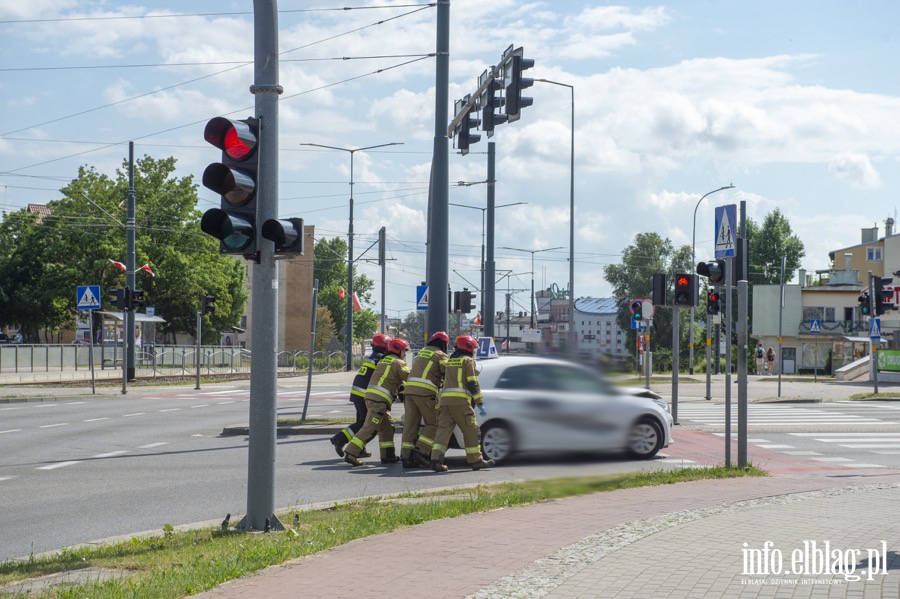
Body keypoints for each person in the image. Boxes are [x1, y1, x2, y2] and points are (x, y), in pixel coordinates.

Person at [429, 335, 494, 472]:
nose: (475, 352)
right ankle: (476, 460)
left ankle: (436, 460)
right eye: (474, 349)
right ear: (468, 348)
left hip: (445, 401)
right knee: (471, 430)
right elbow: (472, 382)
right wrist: (479, 402)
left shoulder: (450, 361)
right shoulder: (468, 361)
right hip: (460, 402)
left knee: (443, 431)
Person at [343, 337, 410, 467]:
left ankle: (388, 456)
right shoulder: (398, 363)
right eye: (403, 351)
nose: (405, 354)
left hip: (373, 398)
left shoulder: (384, 360)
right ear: (397, 350)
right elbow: (411, 378)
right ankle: (351, 453)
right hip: (379, 401)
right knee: (369, 427)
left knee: (387, 428)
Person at [329, 333, 392, 458]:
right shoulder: (381, 358)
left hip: (358, 392)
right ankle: (339, 439)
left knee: (362, 422)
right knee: (365, 423)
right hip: (365, 394)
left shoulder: (374, 356)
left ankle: (360, 449)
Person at [400, 331, 449, 468]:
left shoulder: (422, 352)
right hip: (425, 393)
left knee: (410, 424)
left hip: (409, 392)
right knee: (434, 423)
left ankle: (406, 456)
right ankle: (421, 451)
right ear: (444, 344)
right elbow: (449, 373)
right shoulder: (441, 355)